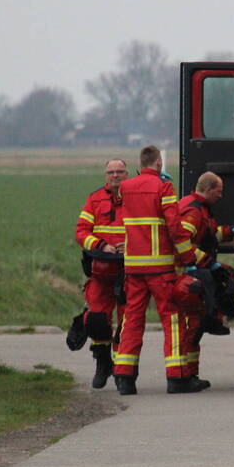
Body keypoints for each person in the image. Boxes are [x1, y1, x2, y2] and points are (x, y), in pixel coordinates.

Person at [112, 145, 200, 395]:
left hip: (133, 267)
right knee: (172, 319)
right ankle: (177, 377)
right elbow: (174, 225)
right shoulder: (164, 187)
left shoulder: (125, 187)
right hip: (160, 267)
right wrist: (188, 256)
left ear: (140, 164)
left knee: (131, 320)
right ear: (159, 164)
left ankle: (125, 378)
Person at [176, 171, 234, 386]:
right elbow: (183, 244)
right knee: (193, 326)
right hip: (190, 272)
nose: (221, 196)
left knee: (228, 274)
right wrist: (209, 263)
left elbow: (209, 234)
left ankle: (215, 317)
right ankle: (186, 374)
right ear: (207, 190)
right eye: (219, 191)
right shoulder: (193, 211)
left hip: (198, 268)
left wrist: (228, 232)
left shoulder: (201, 209)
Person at [72, 158, 128, 388]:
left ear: (127, 174)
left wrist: (131, 244)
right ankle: (103, 363)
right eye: (111, 172)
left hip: (129, 270)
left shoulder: (135, 198)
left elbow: (149, 228)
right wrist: (100, 245)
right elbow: (81, 232)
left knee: (128, 324)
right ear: (105, 175)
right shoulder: (94, 199)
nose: (115, 175)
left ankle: (125, 371)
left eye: (120, 172)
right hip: (100, 270)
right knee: (96, 318)